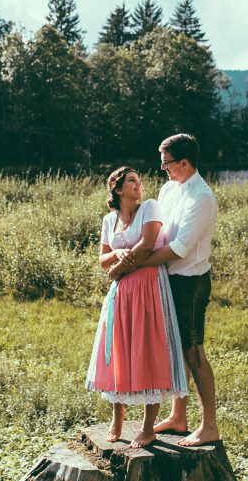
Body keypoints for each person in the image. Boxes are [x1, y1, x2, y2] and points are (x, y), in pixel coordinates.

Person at [112, 134, 219, 446]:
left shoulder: (202, 198)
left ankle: (210, 425)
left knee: (193, 350)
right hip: (164, 280)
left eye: (167, 162)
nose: (162, 168)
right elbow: (155, 233)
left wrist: (136, 263)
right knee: (173, 348)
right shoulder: (169, 189)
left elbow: (178, 249)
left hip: (190, 282)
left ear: (184, 163)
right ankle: (178, 416)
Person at [85, 166, 188, 448]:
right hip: (121, 294)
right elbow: (102, 258)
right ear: (117, 189)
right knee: (119, 349)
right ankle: (117, 417)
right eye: (132, 181)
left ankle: (147, 427)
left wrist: (118, 269)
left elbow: (146, 245)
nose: (138, 184)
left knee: (147, 350)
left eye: (139, 181)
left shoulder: (150, 208)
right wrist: (117, 256)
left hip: (149, 287)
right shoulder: (110, 219)